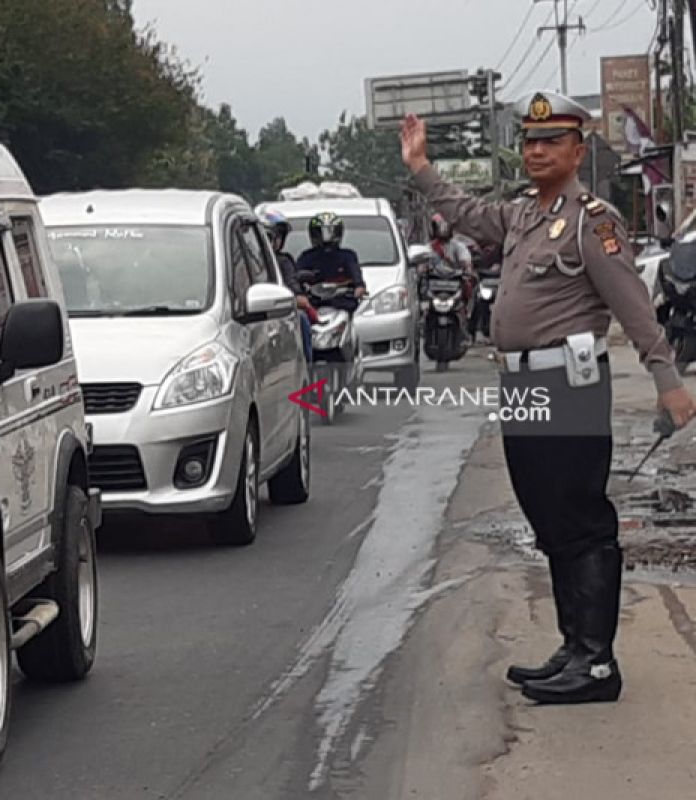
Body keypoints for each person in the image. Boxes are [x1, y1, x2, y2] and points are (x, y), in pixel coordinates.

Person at [401, 90, 696, 705]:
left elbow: (632, 306)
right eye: (531, 142)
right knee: (547, 515)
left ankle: (596, 665)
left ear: (577, 151)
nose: (537, 151)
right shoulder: (523, 214)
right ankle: (575, 645)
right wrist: (423, 168)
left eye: (551, 141)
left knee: (580, 519)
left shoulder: (594, 222)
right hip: (523, 385)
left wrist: (668, 381)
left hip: (569, 386)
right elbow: (466, 212)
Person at [259, 207, 315, 363]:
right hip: (261, 315)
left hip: (272, 313)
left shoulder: (283, 260)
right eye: (276, 235)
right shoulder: (250, 261)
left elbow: (293, 283)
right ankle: (307, 368)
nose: (278, 241)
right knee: (302, 319)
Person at [295, 212, 368, 313]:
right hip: (313, 305)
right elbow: (295, 279)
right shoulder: (306, 257)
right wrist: (300, 293)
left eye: (331, 232)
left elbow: (356, 275)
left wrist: (359, 288)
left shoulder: (348, 256)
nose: (327, 238)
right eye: (321, 232)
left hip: (343, 304)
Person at [428, 213, 477, 342]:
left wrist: (467, 269)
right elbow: (423, 263)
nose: (442, 230)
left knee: (470, 292)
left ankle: (467, 320)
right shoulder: (430, 247)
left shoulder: (458, 246)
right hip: (435, 282)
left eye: (445, 226)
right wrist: (421, 269)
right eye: (440, 227)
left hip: (454, 281)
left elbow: (466, 262)